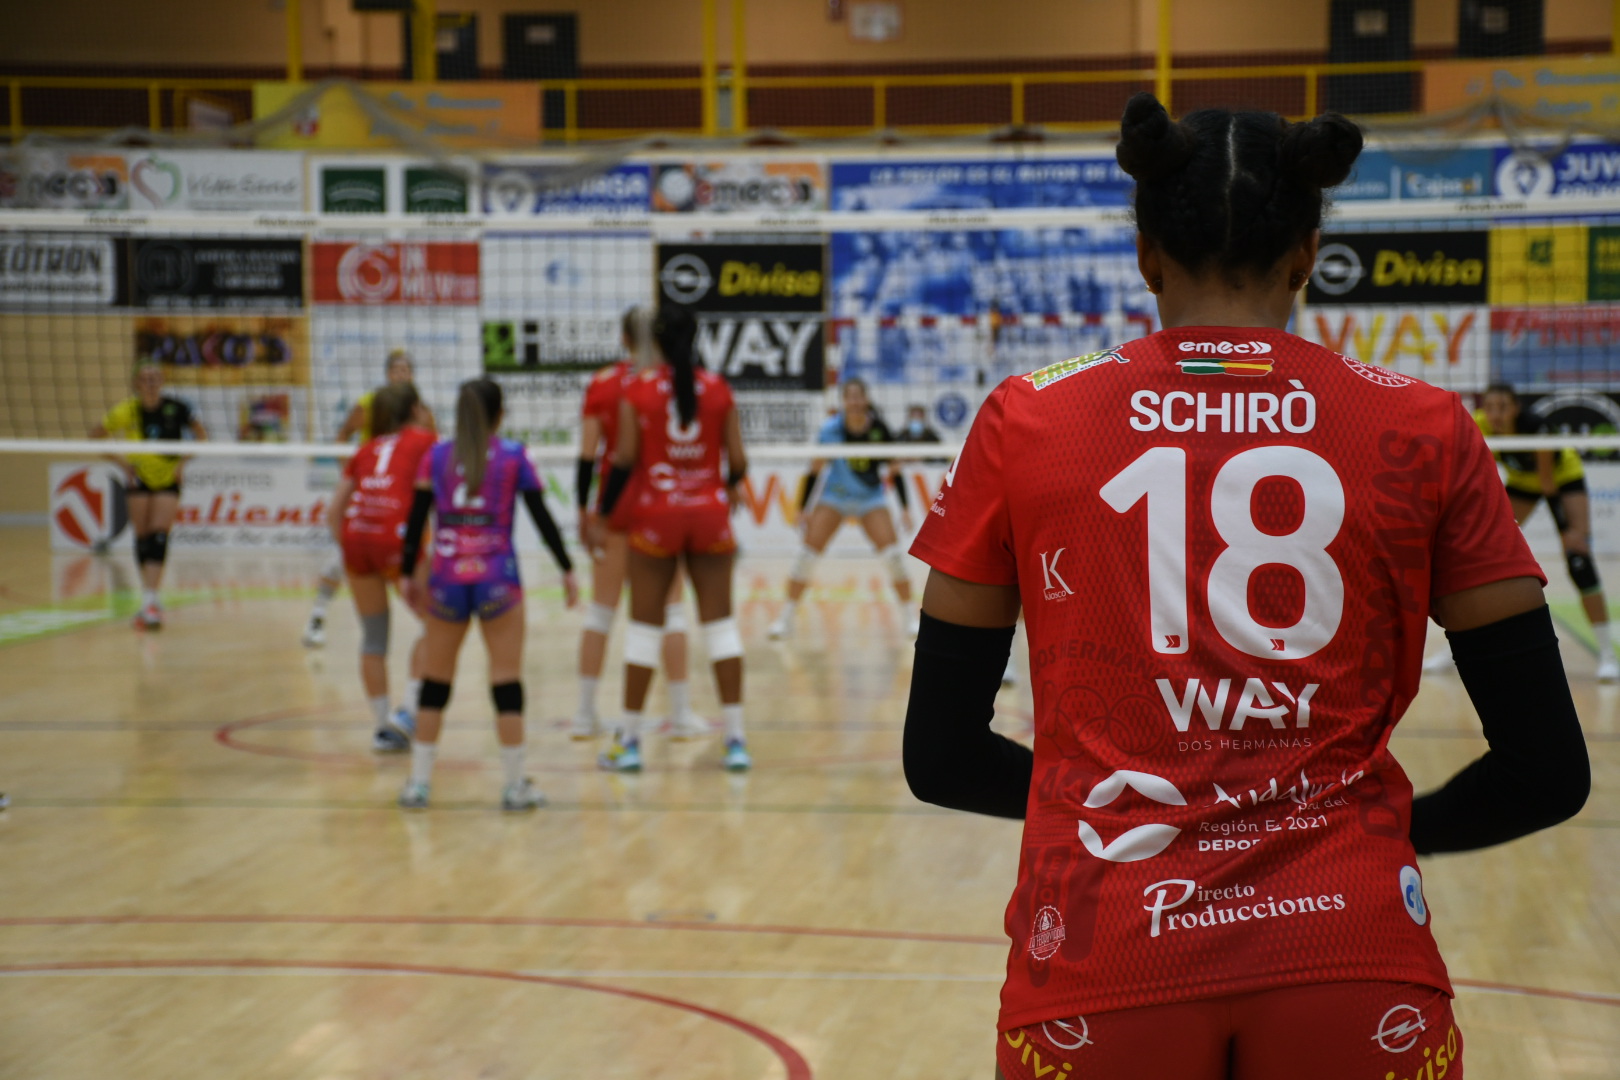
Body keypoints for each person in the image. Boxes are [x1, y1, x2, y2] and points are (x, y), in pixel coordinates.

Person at [903, 93, 1589, 1079]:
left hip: (1104, 955)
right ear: (1308, 254)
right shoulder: (1426, 428)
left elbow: (940, 757)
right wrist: (1385, 834)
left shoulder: (1028, 420)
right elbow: (1547, 770)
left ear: (1147, 255)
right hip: (1352, 949)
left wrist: (1109, 814)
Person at [397, 378, 578, 810]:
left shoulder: (435, 456)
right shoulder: (514, 455)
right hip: (497, 576)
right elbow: (542, 516)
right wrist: (566, 568)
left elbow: (416, 518)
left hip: (446, 578)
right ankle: (515, 787)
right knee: (506, 679)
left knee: (435, 682)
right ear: (499, 415)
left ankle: (418, 785)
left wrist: (406, 574)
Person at [592, 305, 751, 772]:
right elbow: (738, 461)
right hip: (708, 515)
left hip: (656, 517)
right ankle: (736, 741)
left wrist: (602, 515)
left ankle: (629, 743)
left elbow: (623, 460)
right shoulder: (718, 388)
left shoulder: (639, 390)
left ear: (655, 342)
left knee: (645, 629)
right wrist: (726, 484)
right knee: (720, 628)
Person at [1423, 384, 1617, 680]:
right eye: (1490, 407)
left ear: (1516, 408)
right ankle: (1455, 649)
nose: (1495, 414)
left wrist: (1567, 531)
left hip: (1562, 479)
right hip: (1522, 483)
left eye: (1502, 407)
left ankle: (1606, 655)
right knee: (1475, 558)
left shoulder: (1535, 428)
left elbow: (1547, 483)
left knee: (1579, 560)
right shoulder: (1478, 423)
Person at [574, 308, 702, 740]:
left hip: (615, 508)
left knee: (600, 611)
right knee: (671, 611)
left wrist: (584, 509)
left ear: (624, 337)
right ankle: (680, 715)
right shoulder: (673, 383)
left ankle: (584, 714)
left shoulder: (603, 383)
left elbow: (588, 455)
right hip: (661, 508)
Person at [327, 384, 438, 752]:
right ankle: (406, 714)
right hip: (397, 539)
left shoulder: (365, 448)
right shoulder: (425, 440)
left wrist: (352, 547)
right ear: (415, 409)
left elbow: (333, 512)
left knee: (374, 638)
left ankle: (381, 727)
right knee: (436, 625)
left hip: (356, 539)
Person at [767, 378, 917, 641]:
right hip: (835, 497)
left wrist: (904, 507)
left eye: (859, 396)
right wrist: (802, 508)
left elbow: (895, 470)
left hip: (870, 499)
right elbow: (815, 470)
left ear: (866, 399)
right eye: (850, 397)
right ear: (844, 401)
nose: (855, 402)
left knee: (893, 558)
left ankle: (910, 619)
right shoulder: (830, 430)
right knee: (806, 557)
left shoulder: (879, 429)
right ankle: (785, 619)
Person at [305, 349, 433, 647]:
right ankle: (317, 616)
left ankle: (429, 631)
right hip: (370, 488)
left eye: (405, 370)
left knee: (410, 571)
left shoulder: (421, 411)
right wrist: (350, 473)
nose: (401, 374)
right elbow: (342, 435)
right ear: (387, 374)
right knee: (341, 559)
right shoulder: (369, 405)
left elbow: (433, 456)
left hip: (403, 497)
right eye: (396, 370)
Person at [90, 361, 208, 630]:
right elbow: (95, 435)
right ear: (137, 383)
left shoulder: (178, 408)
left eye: (155, 377)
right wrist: (122, 464)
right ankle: (149, 595)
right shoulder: (128, 410)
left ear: (162, 380)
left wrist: (182, 464)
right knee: (142, 538)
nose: (151, 382)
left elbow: (202, 436)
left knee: (159, 535)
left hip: (168, 479)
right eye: (145, 378)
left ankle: (151, 599)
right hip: (139, 478)